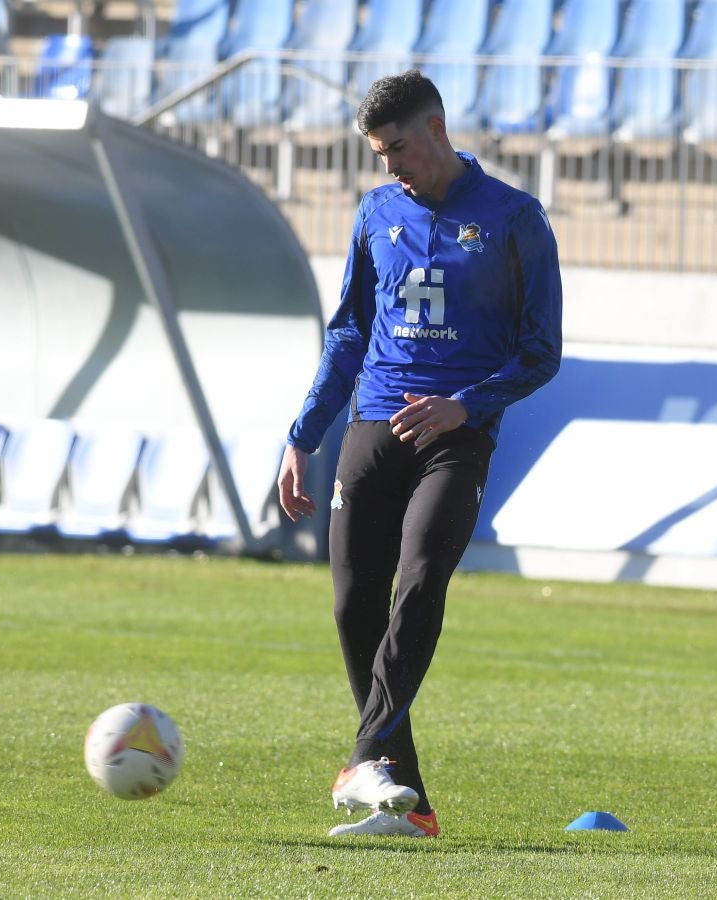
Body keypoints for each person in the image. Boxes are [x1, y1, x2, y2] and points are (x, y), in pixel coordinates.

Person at [276, 70, 563, 838]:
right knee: (348, 604)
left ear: (436, 129)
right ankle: (410, 804)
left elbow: (541, 354)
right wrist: (304, 434)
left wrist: (462, 406)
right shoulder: (376, 212)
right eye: (376, 153)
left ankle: (364, 755)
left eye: (396, 148)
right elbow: (347, 332)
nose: (388, 166)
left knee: (421, 581)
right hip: (372, 425)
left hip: (455, 437)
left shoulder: (514, 219)